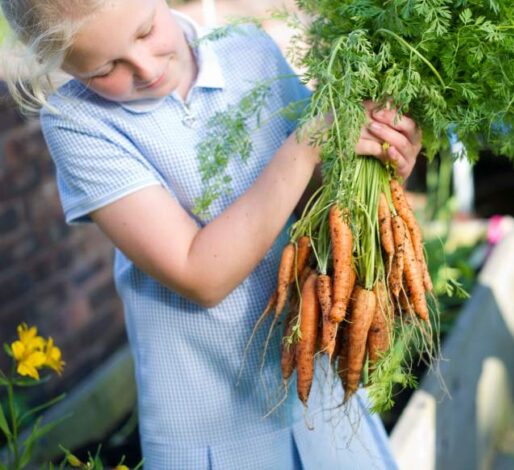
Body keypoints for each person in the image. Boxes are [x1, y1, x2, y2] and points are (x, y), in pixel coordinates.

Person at [0, 0, 423, 468]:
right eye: (105, 69)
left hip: (322, 394)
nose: (145, 68)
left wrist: (380, 160)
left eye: (144, 32)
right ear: (59, 64)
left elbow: (315, 201)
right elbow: (199, 273)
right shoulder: (78, 123)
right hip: (213, 432)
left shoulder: (249, 50)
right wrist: (306, 145)